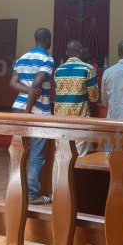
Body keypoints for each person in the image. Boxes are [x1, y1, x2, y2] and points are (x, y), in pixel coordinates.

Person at [9, 27, 55, 205]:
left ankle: (13, 190)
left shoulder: (22, 58)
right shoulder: (47, 59)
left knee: (17, 150)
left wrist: (28, 92)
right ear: (47, 39)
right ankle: (31, 195)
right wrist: (28, 113)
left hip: (17, 108)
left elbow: (13, 83)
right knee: (37, 154)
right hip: (37, 112)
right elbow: (36, 86)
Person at [52, 40, 98, 189]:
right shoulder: (88, 69)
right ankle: (74, 196)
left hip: (59, 121)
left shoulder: (58, 70)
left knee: (59, 158)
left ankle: (56, 195)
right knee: (78, 159)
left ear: (67, 53)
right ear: (81, 51)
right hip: (80, 121)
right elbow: (94, 98)